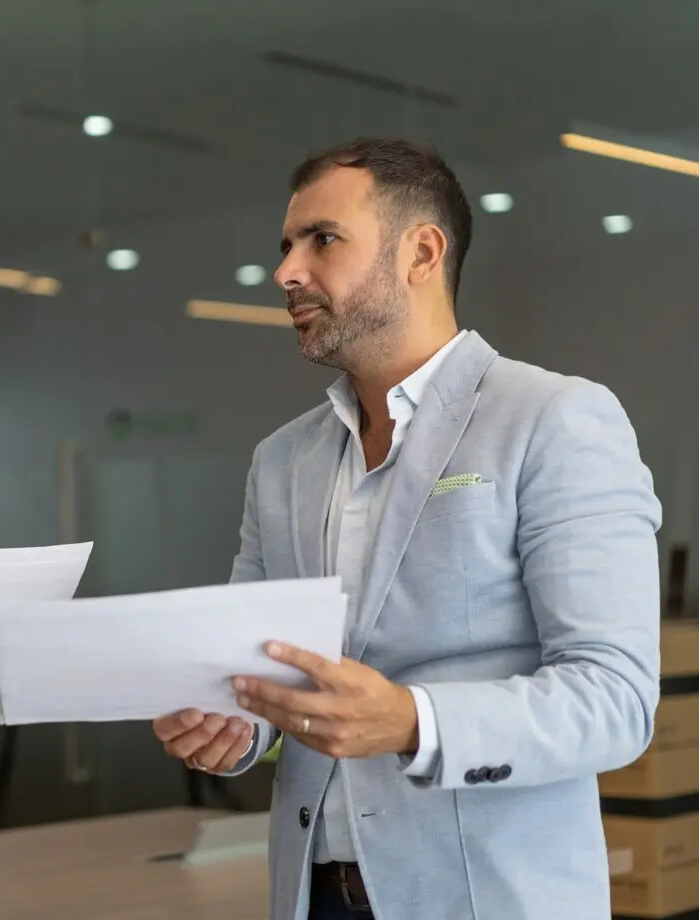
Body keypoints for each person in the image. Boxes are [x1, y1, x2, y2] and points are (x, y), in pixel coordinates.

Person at [152, 138, 661, 920]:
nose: (287, 272)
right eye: (286, 246)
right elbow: (263, 673)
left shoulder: (553, 419)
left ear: (422, 252)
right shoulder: (281, 461)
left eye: (322, 239)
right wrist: (234, 726)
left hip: (484, 897)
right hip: (311, 894)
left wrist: (413, 722)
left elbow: (614, 700)